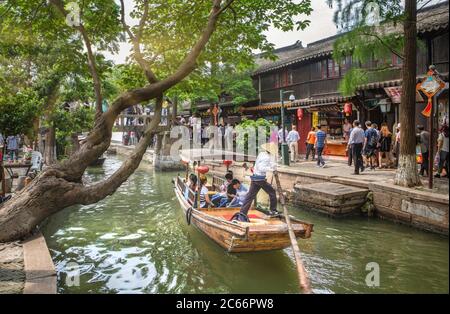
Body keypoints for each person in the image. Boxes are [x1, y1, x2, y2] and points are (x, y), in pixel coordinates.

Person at [237, 142, 279, 221]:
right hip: (260, 179)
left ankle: (242, 213)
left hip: (255, 178)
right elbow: (261, 168)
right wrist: (272, 169)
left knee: (250, 197)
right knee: (272, 192)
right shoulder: (266, 157)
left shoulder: (262, 154)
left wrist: (273, 165)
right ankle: (273, 210)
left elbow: (269, 163)